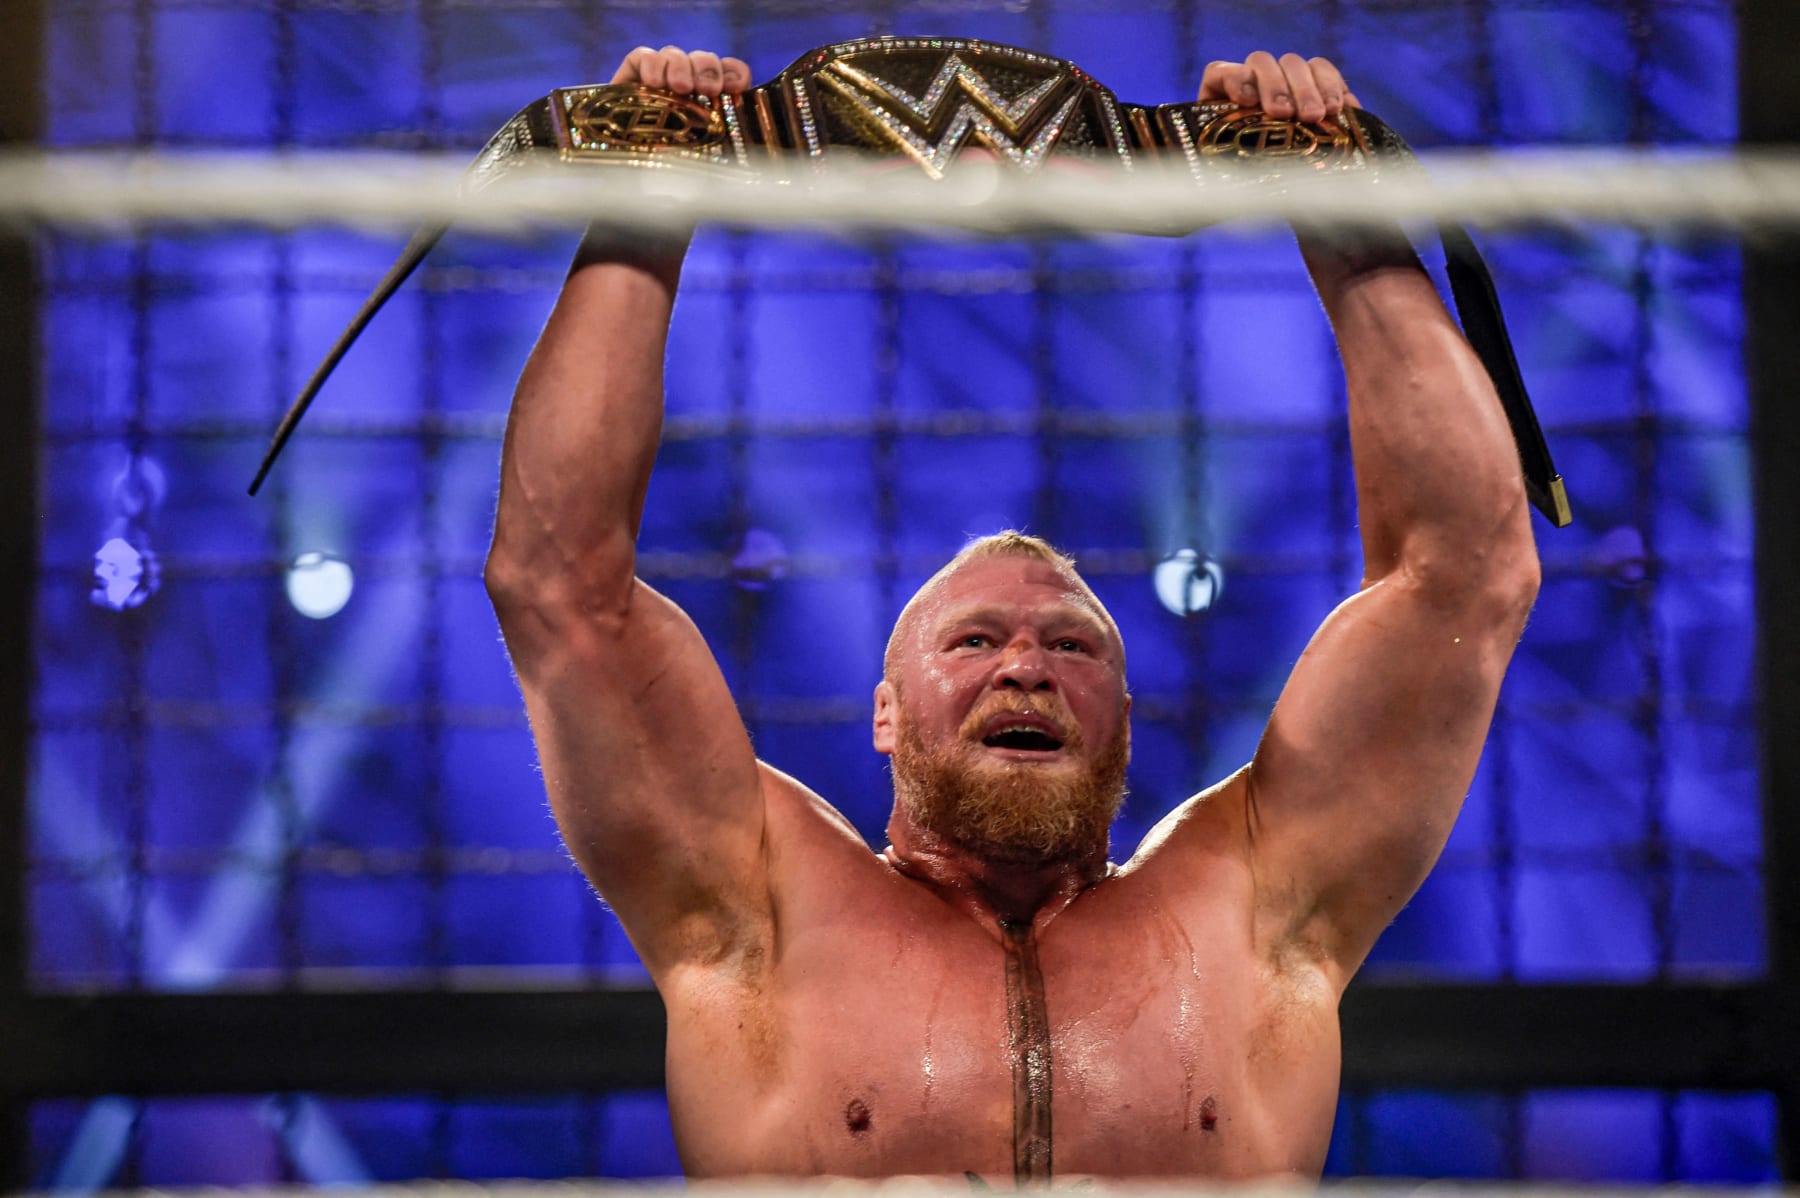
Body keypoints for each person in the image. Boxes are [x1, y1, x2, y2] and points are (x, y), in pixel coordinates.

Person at [483, 43, 1541, 1184]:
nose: (1026, 666)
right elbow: (560, 589)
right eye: (975, 639)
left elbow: (1468, 572)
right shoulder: (756, 905)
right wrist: (651, 197)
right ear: (885, 713)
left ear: (1125, 722)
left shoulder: (1257, 903)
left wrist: (1348, 213)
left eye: (1072, 643)